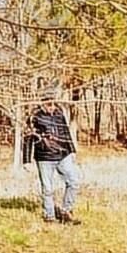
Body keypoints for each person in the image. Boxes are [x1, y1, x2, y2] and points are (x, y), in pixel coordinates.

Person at [27, 88, 81, 224]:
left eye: (53, 103)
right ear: (43, 103)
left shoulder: (59, 113)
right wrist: (26, 160)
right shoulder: (35, 117)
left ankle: (66, 211)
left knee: (73, 181)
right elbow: (28, 138)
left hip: (63, 154)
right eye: (49, 103)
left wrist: (72, 150)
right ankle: (49, 216)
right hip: (44, 157)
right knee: (48, 188)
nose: (52, 106)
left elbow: (65, 132)